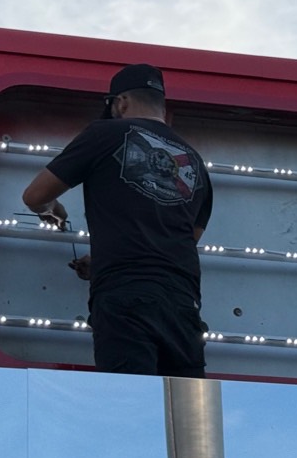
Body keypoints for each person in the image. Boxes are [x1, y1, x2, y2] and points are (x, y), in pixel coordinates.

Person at [22, 63, 213, 377]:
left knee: (129, 396)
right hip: (184, 304)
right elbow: (186, 238)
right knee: (180, 400)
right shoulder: (195, 162)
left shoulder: (105, 133)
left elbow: (34, 196)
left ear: (121, 102)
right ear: (163, 109)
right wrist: (100, 259)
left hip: (124, 298)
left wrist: (51, 209)